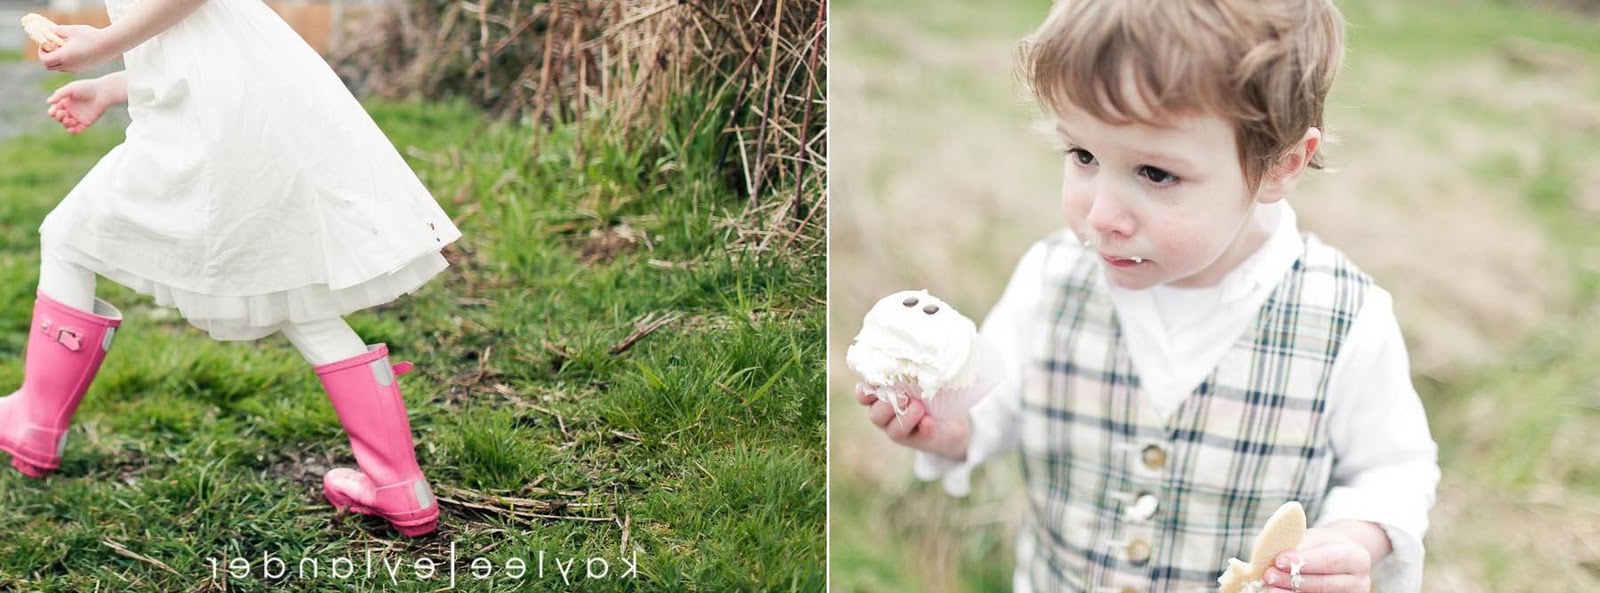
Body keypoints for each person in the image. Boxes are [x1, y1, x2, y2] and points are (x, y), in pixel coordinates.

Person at [854, 1, 1440, 590]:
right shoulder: (1050, 278)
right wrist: (954, 431)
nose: (1102, 216)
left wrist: (1350, 540)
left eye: (1156, 174)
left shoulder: (1346, 319)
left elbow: (1394, 470)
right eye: (1083, 156)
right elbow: (992, 402)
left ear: (1280, 166)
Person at [0, 0, 462, 538]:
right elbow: (200, 34)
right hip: (235, 106)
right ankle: (398, 482)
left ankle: (36, 422)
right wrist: (113, 86)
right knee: (287, 286)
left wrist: (103, 46)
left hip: (211, 119)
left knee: (69, 236)